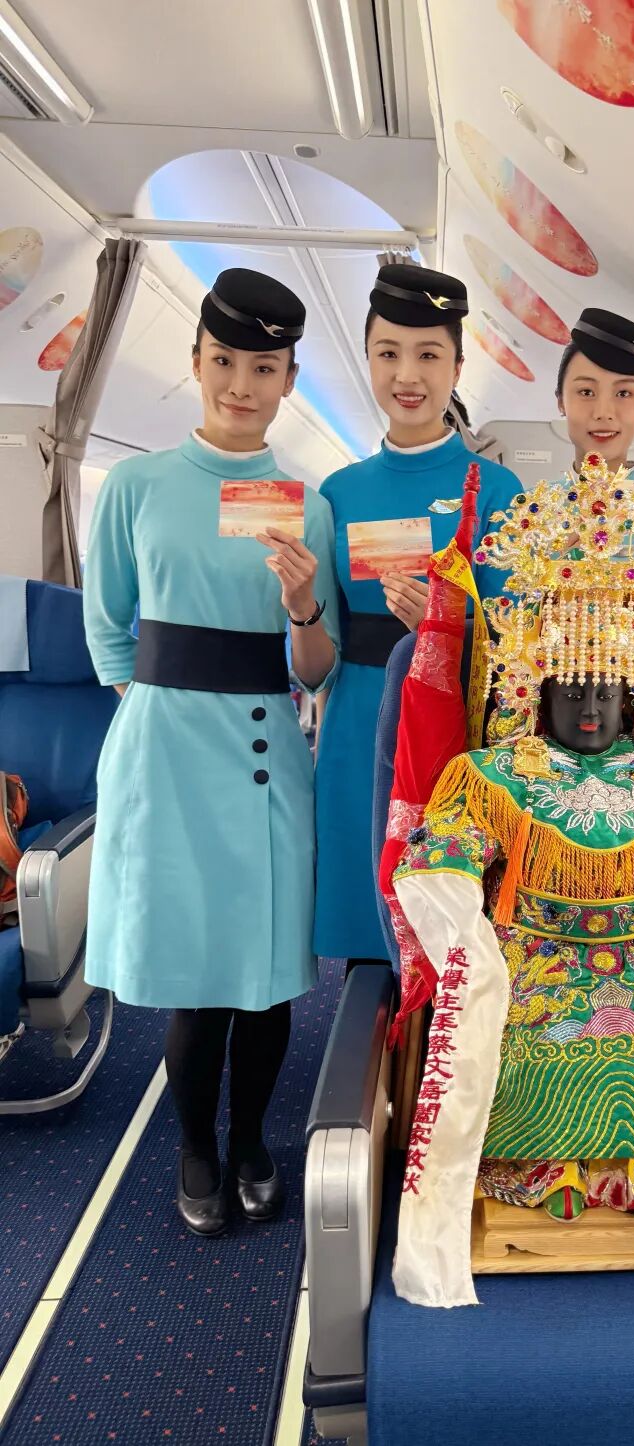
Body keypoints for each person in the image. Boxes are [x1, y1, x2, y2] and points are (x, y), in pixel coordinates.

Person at [388, 454, 634, 1310]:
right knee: (514, 1058)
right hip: (537, 954)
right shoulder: (494, 773)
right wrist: (450, 885)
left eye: (605, 689)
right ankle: (549, 1174)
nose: (587, 708)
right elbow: (448, 843)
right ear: (537, 688)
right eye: (570, 687)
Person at [83, 268, 339, 1235]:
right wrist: (154, 712)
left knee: (263, 976)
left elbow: (315, 670)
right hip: (164, 750)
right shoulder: (136, 485)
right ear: (195, 361)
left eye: (263, 368)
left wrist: (302, 605)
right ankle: (196, 1145)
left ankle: (252, 1141)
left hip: (264, 745)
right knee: (195, 976)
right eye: (225, 360)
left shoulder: (305, 504)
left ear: (289, 381)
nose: (241, 383)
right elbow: (108, 627)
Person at [314, 264, 522, 970]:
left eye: (429, 354)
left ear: (457, 368)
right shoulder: (338, 492)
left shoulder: (496, 489)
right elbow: (320, 652)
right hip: (357, 720)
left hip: (453, 726)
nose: (408, 374)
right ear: (368, 362)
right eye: (389, 353)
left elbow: (515, 643)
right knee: (368, 936)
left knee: (453, 929)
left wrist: (445, 630)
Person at [556, 308, 634, 481]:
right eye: (586, 392)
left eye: (623, 393)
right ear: (561, 401)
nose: (603, 413)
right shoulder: (528, 499)